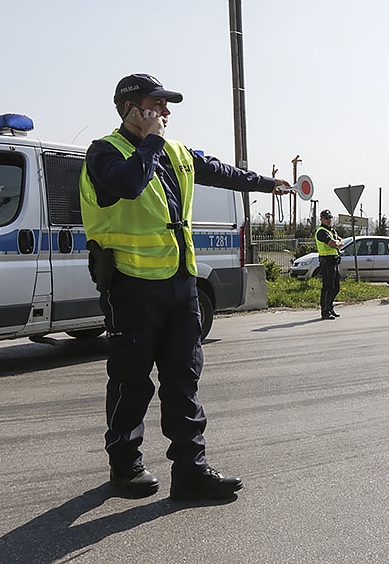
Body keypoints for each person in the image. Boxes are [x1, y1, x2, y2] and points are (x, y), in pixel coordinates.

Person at [80, 73, 290, 500]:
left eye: (164, 106)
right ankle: (125, 466)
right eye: (157, 105)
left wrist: (266, 184)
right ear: (132, 109)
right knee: (131, 382)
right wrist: (150, 142)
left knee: (183, 379)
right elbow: (128, 184)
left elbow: (217, 170)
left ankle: (191, 471)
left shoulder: (176, 151)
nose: (166, 113)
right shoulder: (104, 153)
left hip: (180, 286)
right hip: (130, 288)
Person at [314, 209, 344, 319]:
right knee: (327, 286)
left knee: (336, 287)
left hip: (334, 260)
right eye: (326, 218)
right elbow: (333, 243)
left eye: (330, 218)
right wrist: (338, 243)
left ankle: (330, 307)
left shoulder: (331, 230)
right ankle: (325, 311)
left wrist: (338, 243)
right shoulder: (322, 232)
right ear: (321, 219)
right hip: (326, 261)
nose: (328, 220)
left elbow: (340, 241)